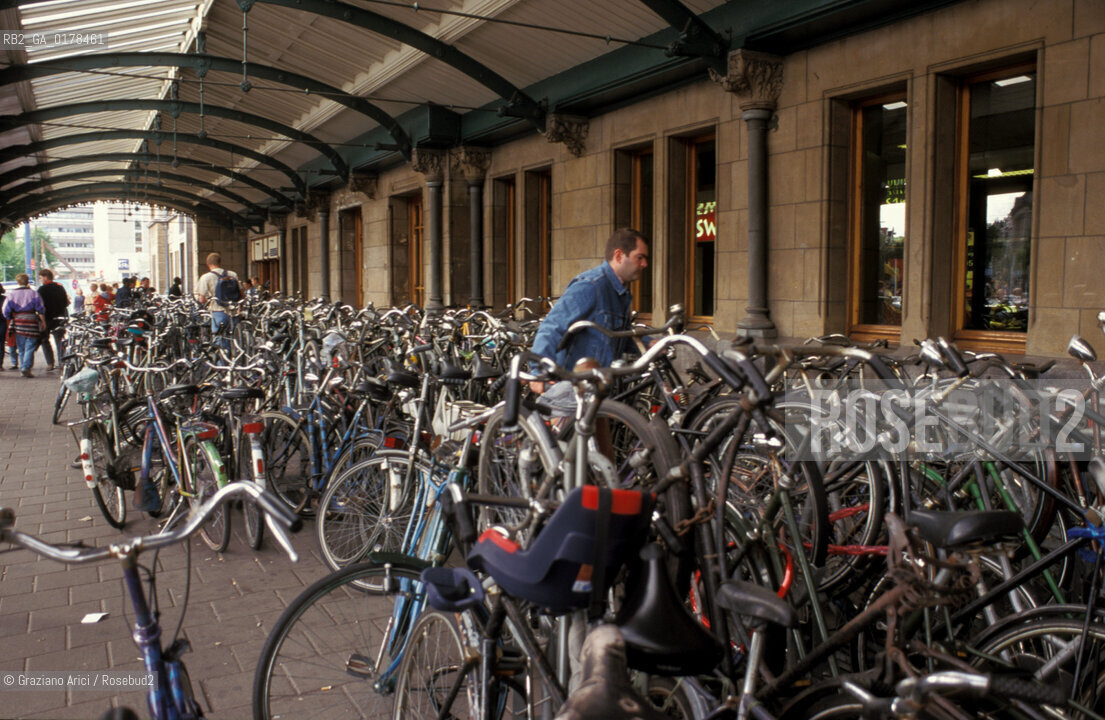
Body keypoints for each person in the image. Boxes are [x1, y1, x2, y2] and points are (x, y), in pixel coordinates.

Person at [530, 228, 650, 408]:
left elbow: (621, 336)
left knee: (601, 436)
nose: (644, 264)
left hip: (595, 391)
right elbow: (552, 326)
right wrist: (538, 373)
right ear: (619, 256)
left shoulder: (620, 293)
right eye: (639, 257)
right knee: (561, 436)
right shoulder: (591, 286)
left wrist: (650, 343)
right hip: (572, 391)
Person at [3, 274, 46, 377]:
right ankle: (26, 367)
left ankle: (23, 367)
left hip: (18, 321)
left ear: (18, 282)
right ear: (27, 282)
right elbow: (40, 308)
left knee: (21, 347)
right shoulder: (34, 293)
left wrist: (10, 317)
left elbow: (5, 310)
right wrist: (43, 321)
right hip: (32, 321)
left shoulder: (12, 295)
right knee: (30, 346)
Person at [194, 252, 241, 343]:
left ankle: (222, 355)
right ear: (220, 263)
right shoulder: (232, 274)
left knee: (219, 338)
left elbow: (201, 299)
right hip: (233, 311)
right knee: (235, 339)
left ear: (208, 264)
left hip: (218, 311)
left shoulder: (206, 277)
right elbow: (241, 294)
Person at [36, 269, 70, 371]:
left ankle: (50, 363)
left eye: (41, 278)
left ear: (46, 277)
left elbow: (39, 305)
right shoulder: (60, 287)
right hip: (60, 318)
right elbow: (67, 302)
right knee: (59, 340)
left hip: (46, 318)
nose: (41, 280)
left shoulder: (41, 290)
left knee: (45, 340)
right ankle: (62, 362)